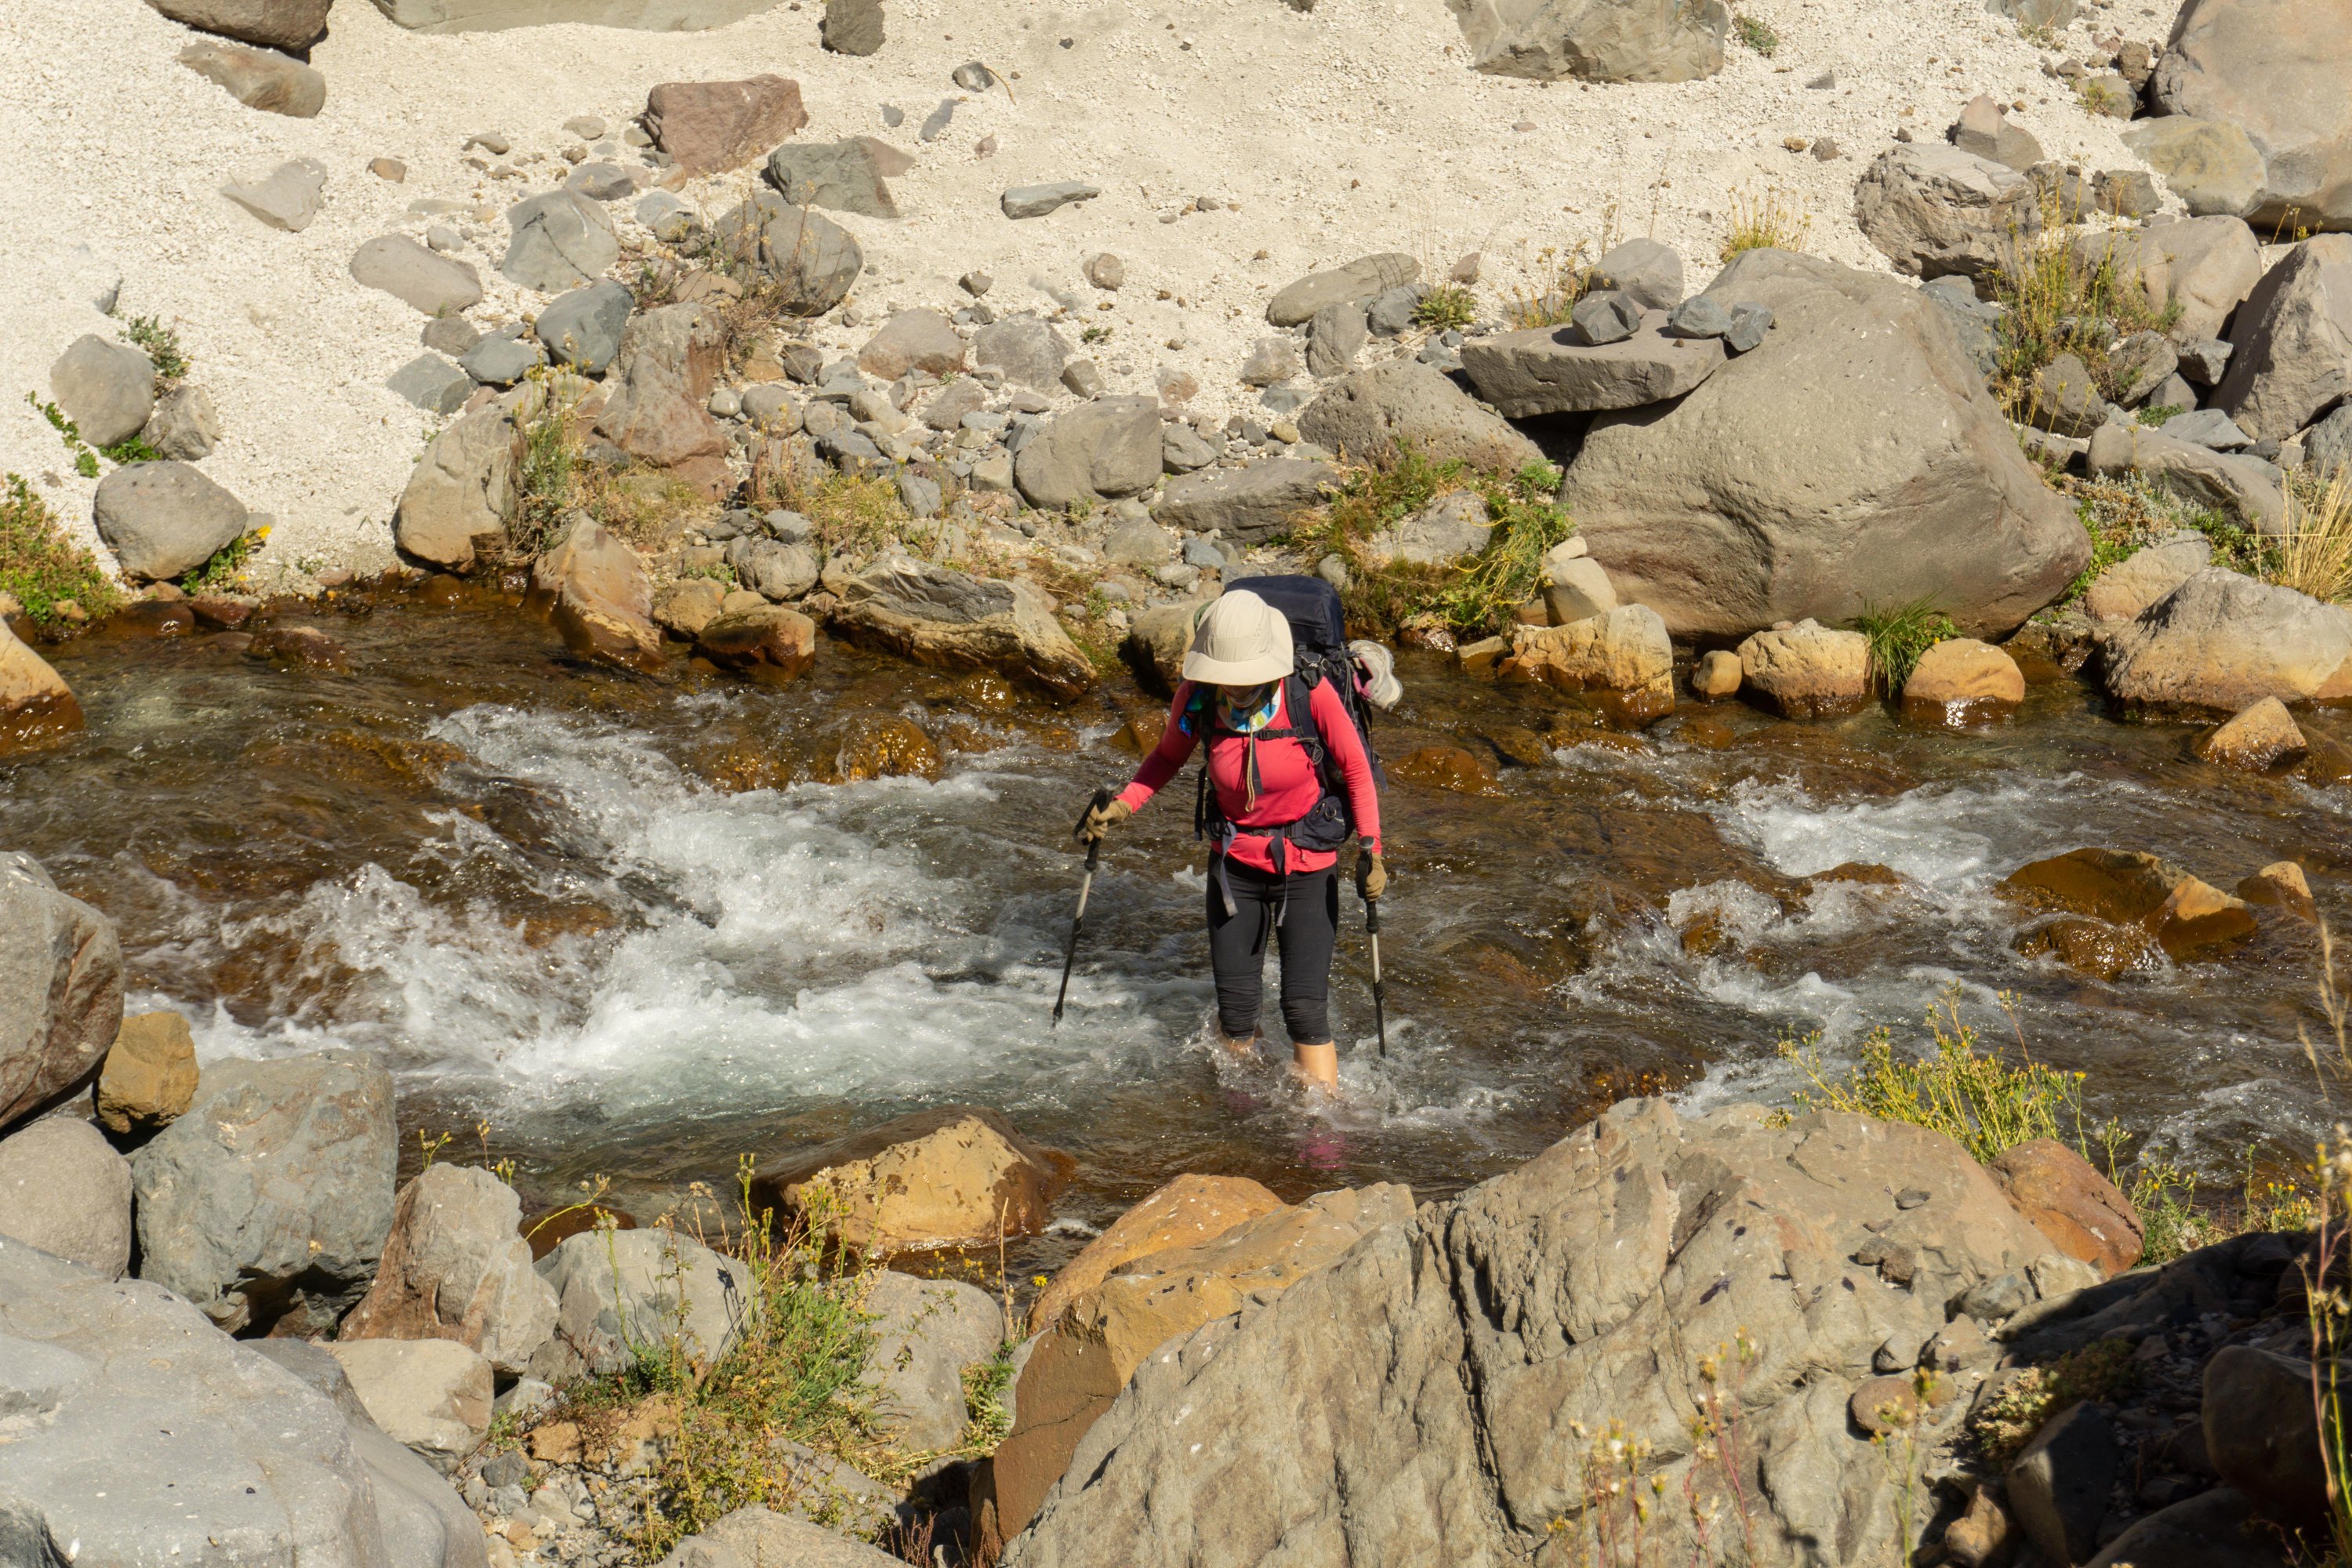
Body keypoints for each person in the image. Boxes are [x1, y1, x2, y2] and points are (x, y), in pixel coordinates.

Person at [1076, 590, 1385, 1091]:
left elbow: (1355, 770)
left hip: (1307, 867)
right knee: (1237, 1014)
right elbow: (1166, 757)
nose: (1235, 689)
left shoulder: (1309, 693)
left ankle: (1324, 1123)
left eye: (1245, 679)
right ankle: (1243, 1113)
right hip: (1233, 869)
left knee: (1304, 1010)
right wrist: (1124, 804)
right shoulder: (1198, 698)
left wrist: (1371, 849)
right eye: (1227, 678)